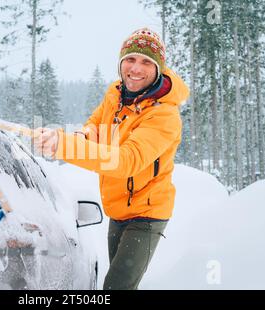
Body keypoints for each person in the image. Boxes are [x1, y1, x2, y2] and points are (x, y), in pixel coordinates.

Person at [33, 28, 189, 290]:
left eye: (146, 62)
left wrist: (65, 147)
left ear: (158, 69)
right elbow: (93, 130)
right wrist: (67, 139)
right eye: (130, 59)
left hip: (147, 215)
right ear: (121, 62)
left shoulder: (164, 116)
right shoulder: (115, 94)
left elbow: (127, 161)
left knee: (116, 287)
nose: (136, 68)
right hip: (117, 209)